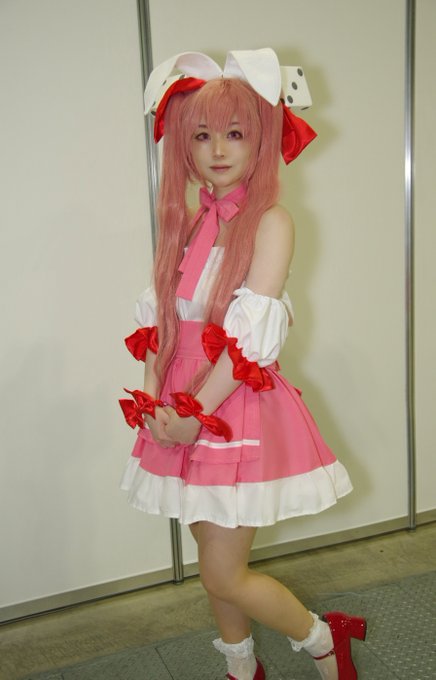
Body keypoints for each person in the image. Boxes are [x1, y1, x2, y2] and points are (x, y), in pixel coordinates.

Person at [119, 49, 366, 680]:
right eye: (202, 136)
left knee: (222, 572)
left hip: (232, 404)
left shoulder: (272, 223)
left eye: (234, 133)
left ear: (261, 139)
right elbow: (161, 325)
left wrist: (194, 415)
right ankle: (241, 667)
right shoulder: (184, 221)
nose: (218, 150)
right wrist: (152, 400)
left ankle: (323, 638)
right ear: (184, 145)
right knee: (212, 555)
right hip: (180, 406)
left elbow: (249, 345)